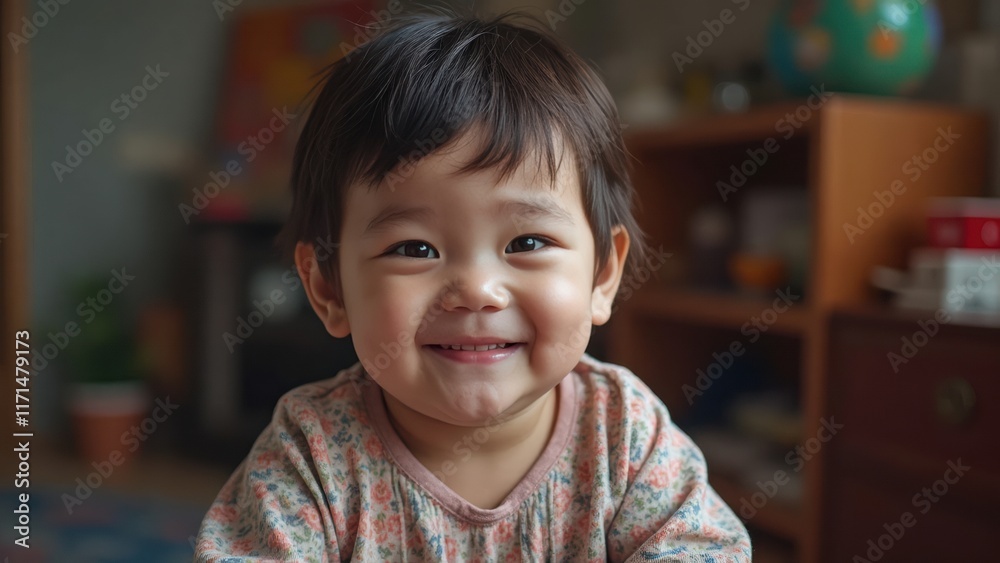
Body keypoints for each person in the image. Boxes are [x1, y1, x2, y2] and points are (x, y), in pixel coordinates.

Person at [195, 9, 751, 562]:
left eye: (527, 243)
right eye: (414, 249)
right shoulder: (312, 452)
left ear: (602, 275)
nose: (478, 290)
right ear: (328, 290)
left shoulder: (623, 434)